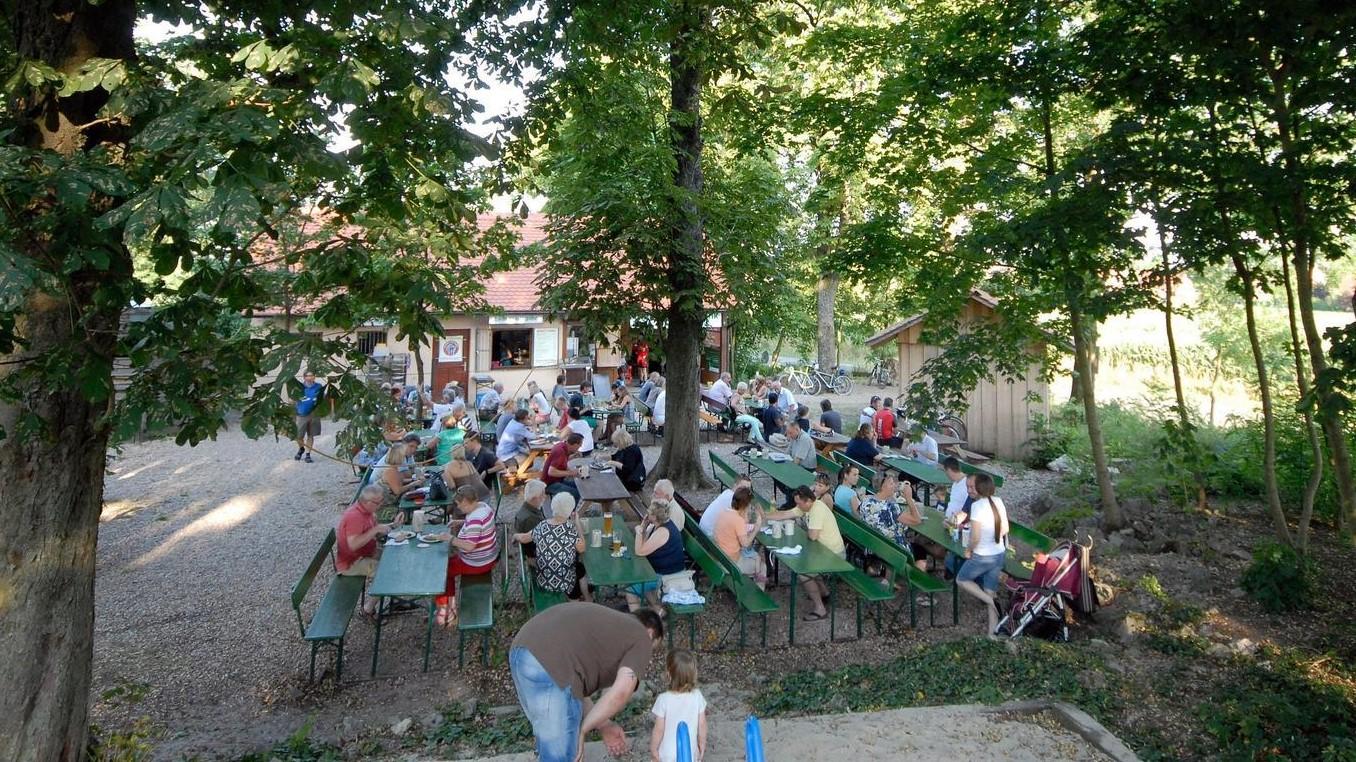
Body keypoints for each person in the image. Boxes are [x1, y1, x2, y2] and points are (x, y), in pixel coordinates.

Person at [511, 604, 663, 762]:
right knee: (562, 756)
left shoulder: (607, 628)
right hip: (550, 664)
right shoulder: (642, 636)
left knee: (550, 746)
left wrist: (604, 725)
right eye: (653, 649)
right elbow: (621, 693)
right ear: (651, 633)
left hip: (522, 652)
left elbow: (575, 692)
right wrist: (583, 730)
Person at [765, 481, 844, 621]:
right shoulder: (807, 506)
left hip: (834, 554)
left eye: (799, 503)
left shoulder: (817, 509)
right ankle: (825, 593)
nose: (798, 506)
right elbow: (786, 514)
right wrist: (764, 516)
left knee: (804, 572)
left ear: (807, 501)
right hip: (822, 550)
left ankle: (820, 609)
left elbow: (812, 536)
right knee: (807, 561)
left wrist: (804, 531)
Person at [432, 485, 500, 627]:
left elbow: (469, 546)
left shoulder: (475, 519)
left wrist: (449, 538)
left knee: (441, 574)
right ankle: (447, 608)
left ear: (467, 502)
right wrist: (460, 522)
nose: (458, 508)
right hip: (488, 556)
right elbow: (478, 525)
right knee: (446, 565)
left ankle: (447, 614)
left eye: (459, 505)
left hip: (477, 563)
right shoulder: (483, 507)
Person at [956, 474, 1009, 638]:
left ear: (980, 488)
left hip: (982, 555)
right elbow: (1005, 529)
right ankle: (992, 633)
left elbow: (975, 537)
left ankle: (989, 601)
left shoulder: (978, 506)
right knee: (990, 590)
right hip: (999, 553)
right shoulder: (998, 501)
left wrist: (969, 550)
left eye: (972, 487)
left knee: (961, 580)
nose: (970, 490)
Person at [337, 484, 402, 614]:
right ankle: (367, 610)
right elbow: (354, 544)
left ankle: (394, 600)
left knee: (395, 558)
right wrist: (375, 529)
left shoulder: (367, 511)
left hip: (367, 552)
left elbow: (374, 533)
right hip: (352, 562)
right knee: (386, 574)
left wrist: (393, 525)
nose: (381, 505)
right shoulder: (354, 516)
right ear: (367, 502)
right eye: (378, 502)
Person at [518, 492, 591, 602]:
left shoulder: (542, 525)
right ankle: (577, 600)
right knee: (579, 568)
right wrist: (577, 523)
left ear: (553, 507)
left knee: (575, 567)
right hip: (562, 581)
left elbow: (524, 538)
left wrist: (515, 536)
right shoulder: (570, 529)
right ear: (571, 510)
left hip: (543, 578)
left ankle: (584, 597)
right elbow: (582, 548)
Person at [627, 499, 687, 615]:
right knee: (644, 585)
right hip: (659, 570)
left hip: (667, 575)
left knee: (631, 591)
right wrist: (644, 528)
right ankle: (658, 611)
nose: (647, 514)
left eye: (649, 512)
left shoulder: (663, 532)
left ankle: (638, 623)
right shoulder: (660, 526)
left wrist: (639, 531)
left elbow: (639, 551)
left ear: (654, 516)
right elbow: (644, 546)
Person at [650, 650, 708, 762]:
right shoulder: (697, 696)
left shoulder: (663, 699)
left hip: (667, 754)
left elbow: (659, 729)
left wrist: (653, 748)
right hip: (689, 752)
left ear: (668, 674)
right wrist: (702, 744)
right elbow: (702, 725)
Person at [712, 486, 767, 588]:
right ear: (746, 505)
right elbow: (745, 544)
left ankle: (751, 586)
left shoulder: (723, 512)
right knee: (763, 566)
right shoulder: (738, 520)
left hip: (720, 557)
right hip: (731, 563)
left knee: (755, 558)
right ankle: (758, 597)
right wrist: (756, 528)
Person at [293, 370, 332, 463]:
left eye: (312, 376)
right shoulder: (299, 387)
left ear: (314, 377)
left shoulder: (318, 387)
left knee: (311, 435)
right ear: (304, 377)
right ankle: (301, 448)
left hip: (314, 414)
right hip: (301, 414)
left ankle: (308, 455)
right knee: (298, 436)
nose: (310, 377)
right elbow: (293, 399)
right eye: (308, 376)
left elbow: (322, 399)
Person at [375, 442, 424, 507]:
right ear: (399, 457)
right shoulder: (391, 471)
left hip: (390, 499)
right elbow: (397, 491)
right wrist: (413, 484)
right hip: (387, 504)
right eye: (403, 455)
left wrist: (414, 480)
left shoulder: (394, 467)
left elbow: (397, 481)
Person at [514, 479, 550, 565]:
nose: (545, 496)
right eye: (543, 495)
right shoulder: (531, 518)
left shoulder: (527, 509)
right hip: (537, 557)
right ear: (535, 498)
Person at [543, 432, 586, 501]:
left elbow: (561, 461)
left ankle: (573, 510)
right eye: (579, 445)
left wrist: (573, 456)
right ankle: (570, 511)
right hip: (549, 484)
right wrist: (571, 473)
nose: (579, 448)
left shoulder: (563, 446)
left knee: (580, 486)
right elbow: (551, 472)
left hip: (557, 480)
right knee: (576, 493)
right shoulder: (560, 451)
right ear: (574, 444)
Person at [497, 409, 535, 476]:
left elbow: (526, 424)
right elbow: (533, 436)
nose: (528, 419)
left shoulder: (513, 421)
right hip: (507, 454)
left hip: (504, 450)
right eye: (527, 418)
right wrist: (534, 423)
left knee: (528, 455)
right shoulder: (518, 428)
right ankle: (516, 474)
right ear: (522, 419)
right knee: (530, 460)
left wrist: (529, 423)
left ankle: (518, 471)